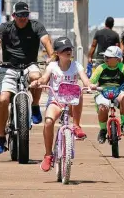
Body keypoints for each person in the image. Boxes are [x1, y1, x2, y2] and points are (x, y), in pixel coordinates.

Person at [0, 2, 55, 154]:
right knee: (4, 99)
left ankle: (35, 106)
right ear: (14, 16)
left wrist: (52, 56)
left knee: (36, 76)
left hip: (30, 64)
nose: (23, 18)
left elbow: (46, 41)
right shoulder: (5, 27)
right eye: (20, 15)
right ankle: (1, 136)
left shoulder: (36, 26)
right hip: (8, 67)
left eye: (25, 15)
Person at [30, 37, 89, 172]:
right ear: (57, 53)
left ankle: (76, 125)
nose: (68, 51)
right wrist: (38, 82)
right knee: (49, 122)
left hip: (72, 102)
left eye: (69, 49)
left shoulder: (76, 65)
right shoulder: (52, 66)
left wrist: (90, 85)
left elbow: (85, 80)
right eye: (64, 50)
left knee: (79, 91)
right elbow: (45, 78)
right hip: (56, 100)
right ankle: (48, 155)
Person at [89, 46, 124, 144]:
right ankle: (103, 130)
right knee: (102, 108)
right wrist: (92, 86)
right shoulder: (100, 68)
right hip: (103, 91)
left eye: (109, 57)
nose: (105, 59)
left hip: (118, 90)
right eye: (105, 57)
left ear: (118, 59)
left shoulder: (123, 67)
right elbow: (91, 81)